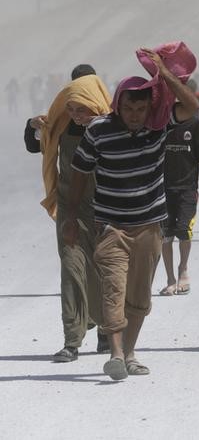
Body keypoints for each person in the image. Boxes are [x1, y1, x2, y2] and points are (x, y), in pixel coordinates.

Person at [65, 45, 199, 380]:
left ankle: (130, 352)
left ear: (149, 107)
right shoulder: (98, 131)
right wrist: (70, 217)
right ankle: (114, 353)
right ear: (118, 105)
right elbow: (79, 174)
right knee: (113, 289)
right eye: (129, 108)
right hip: (111, 227)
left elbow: (193, 106)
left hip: (150, 227)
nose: (136, 114)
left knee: (139, 296)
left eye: (141, 108)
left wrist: (164, 74)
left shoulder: (158, 127)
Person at [26, 71, 111, 362]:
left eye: (81, 110)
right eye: (71, 109)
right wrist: (31, 125)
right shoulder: (61, 125)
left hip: (104, 211)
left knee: (102, 272)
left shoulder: (113, 128)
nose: (75, 115)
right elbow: (35, 142)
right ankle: (72, 340)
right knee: (72, 270)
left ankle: (104, 329)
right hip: (69, 210)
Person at [158, 111, 199, 296]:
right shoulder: (159, 122)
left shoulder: (193, 124)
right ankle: (169, 279)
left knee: (184, 230)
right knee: (166, 234)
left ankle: (183, 269)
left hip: (188, 188)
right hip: (163, 188)